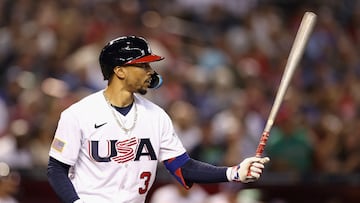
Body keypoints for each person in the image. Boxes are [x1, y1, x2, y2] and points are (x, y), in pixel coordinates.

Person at [47, 35, 270, 203]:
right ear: (120, 71)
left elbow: (183, 168)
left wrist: (234, 172)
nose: (150, 72)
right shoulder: (78, 114)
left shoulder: (156, 116)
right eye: (143, 65)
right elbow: (56, 169)